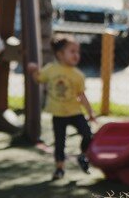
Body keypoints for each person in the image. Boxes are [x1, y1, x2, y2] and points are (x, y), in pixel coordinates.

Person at [27, 36, 96, 181]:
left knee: (87, 134)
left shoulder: (78, 75)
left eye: (78, 51)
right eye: (72, 51)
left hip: (75, 112)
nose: (76, 55)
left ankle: (83, 156)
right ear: (60, 54)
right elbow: (39, 79)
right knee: (60, 142)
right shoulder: (51, 69)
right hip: (58, 114)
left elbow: (81, 96)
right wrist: (33, 71)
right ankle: (60, 168)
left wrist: (90, 112)